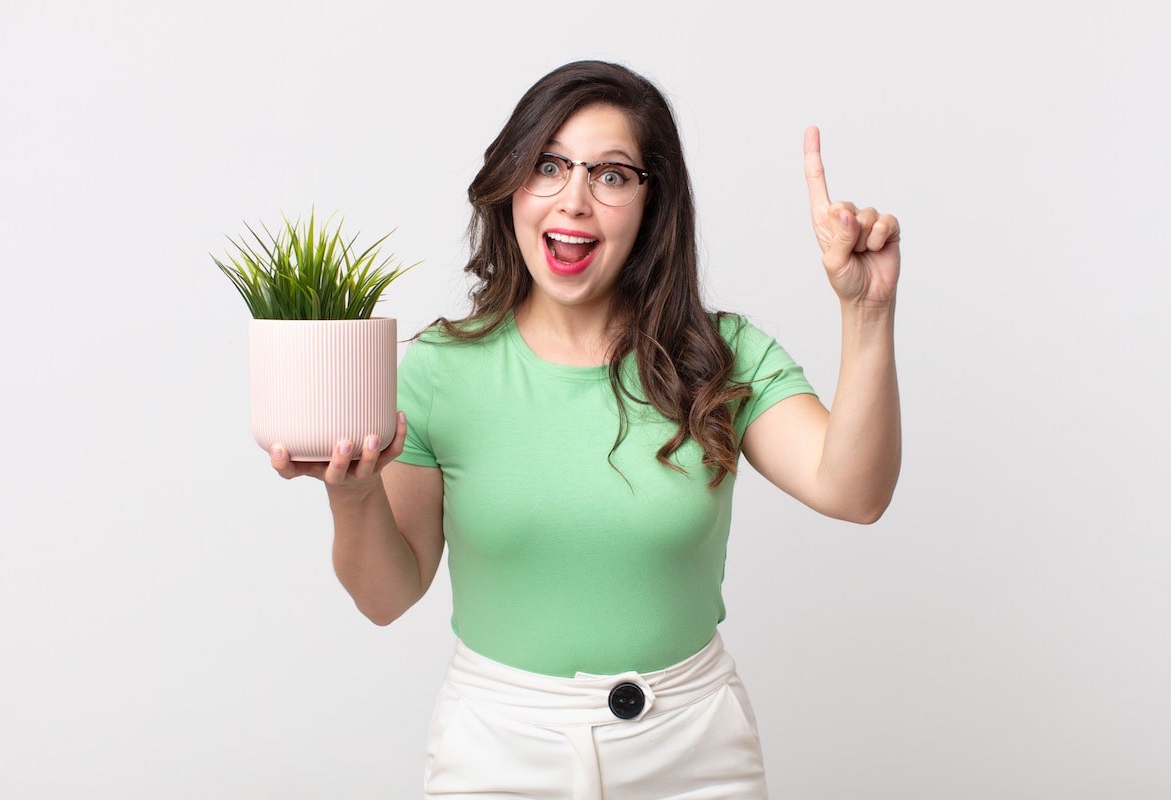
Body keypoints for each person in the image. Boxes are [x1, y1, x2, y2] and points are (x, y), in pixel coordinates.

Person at [270, 60, 901, 799]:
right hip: (499, 751)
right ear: (511, 184)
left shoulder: (722, 356)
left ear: (650, 202)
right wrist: (350, 497)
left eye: (610, 174)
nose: (574, 200)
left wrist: (867, 314)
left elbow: (853, 491)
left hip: (694, 751)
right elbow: (386, 597)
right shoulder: (438, 370)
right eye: (548, 166)